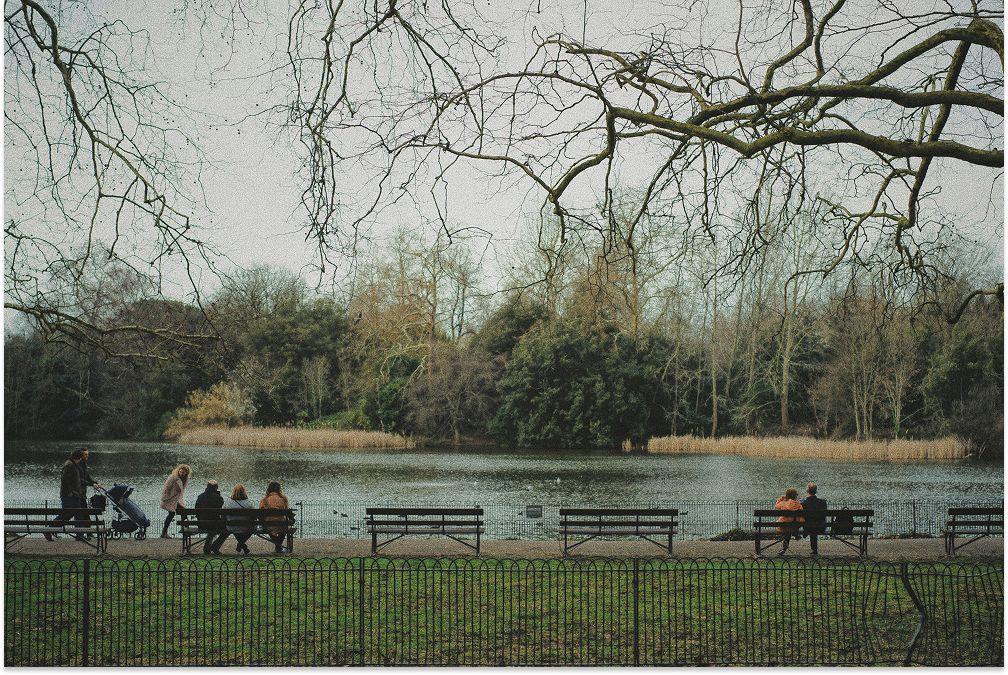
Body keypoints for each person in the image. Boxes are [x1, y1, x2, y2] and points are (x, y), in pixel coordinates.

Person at [47, 449, 87, 541]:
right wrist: (71, 493)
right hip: (69, 496)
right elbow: (65, 480)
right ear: (79, 457)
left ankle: (79, 535)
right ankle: (49, 529)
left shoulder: (72, 464)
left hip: (74, 495)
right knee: (66, 515)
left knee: (76, 514)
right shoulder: (70, 465)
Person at [211, 484, 256, 554]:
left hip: (230, 527)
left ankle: (216, 546)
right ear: (244, 492)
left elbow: (222, 516)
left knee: (226, 528)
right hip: (245, 528)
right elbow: (254, 517)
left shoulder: (228, 503)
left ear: (233, 492)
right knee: (253, 527)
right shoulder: (248, 503)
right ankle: (241, 544)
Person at [160, 464, 191, 538]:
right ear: (178, 471)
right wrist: (165, 498)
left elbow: (181, 490)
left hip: (177, 499)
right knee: (173, 514)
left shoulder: (186, 479)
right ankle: (165, 533)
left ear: (186, 473)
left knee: (182, 513)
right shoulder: (173, 478)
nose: (182, 473)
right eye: (180, 472)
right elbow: (166, 488)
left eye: (183, 472)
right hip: (170, 499)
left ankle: (184, 532)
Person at [194, 479, 224, 554]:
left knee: (211, 528)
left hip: (202, 524)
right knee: (225, 530)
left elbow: (196, 511)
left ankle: (207, 548)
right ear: (216, 487)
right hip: (215, 525)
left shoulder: (200, 497)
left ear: (207, 487)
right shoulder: (219, 498)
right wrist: (218, 495)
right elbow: (220, 510)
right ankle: (214, 547)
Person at [259, 481, 290, 554]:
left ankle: (278, 547)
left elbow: (260, 513)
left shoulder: (264, 500)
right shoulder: (284, 499)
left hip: (268, 525)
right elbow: (286, 510)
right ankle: (278, 547)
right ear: (279, 489)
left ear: (269, 489)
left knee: (268, 524)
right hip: (282, 525)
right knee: (285, 526)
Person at [775, 487, 804, 554]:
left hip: (782, 527)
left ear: (787, 495)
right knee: (791, 526)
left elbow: (776, 506)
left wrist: (781, 499)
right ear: (795, 496)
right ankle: (794, 535)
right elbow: (801, 513)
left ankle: (784, 548)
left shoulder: (783, 503)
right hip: (794, 527)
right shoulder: (798, 504)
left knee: (787, 528)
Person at [801, 483, 827, 556]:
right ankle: (814, 549)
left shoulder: (804, 503)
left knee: (810, 523)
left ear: (807, 491)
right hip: (821, 527)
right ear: (816, 491)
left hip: (808, 527)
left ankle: (806, 532)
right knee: (815, 523)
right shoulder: (822, 502)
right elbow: (824, 515)